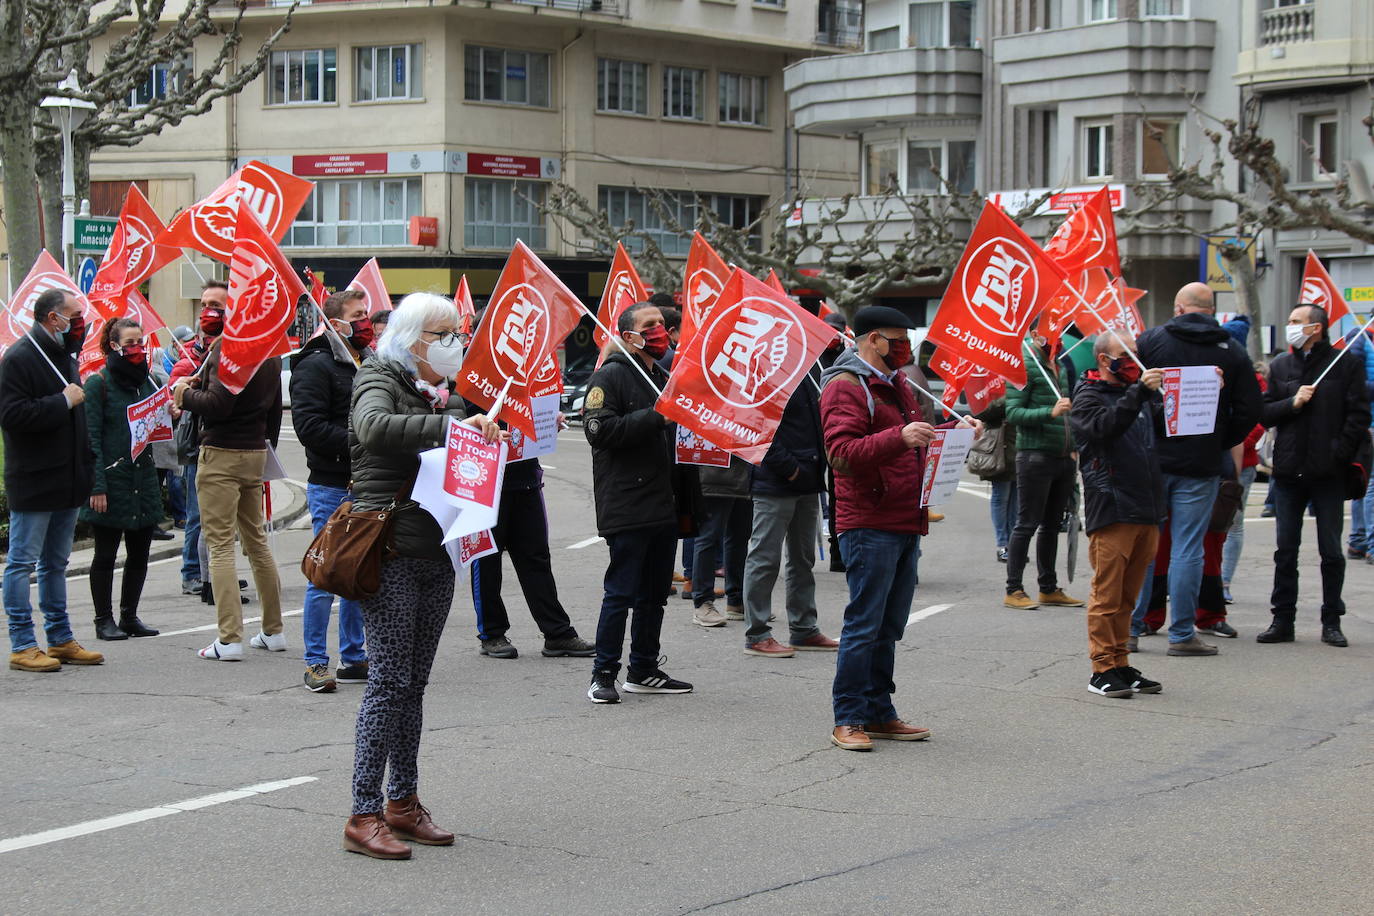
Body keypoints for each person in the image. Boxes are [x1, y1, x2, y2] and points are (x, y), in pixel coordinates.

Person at [343, 292, 503, 860]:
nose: (457, 341)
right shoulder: (379, 376)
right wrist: (449, 425)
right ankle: (363, 812)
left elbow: (449, 437)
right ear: (414, 338)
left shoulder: (433, 391)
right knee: (388, 682)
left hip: (437, 549)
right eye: (446, 332)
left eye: (458, 331)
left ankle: (402, 802)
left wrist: (479, 433)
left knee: (412, 684)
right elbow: (372, 428)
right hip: (389, 550)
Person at [820, 305, 978, 750]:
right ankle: (848, 717)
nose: (906, 349)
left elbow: (916, 437)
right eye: (897, 340)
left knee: (889, 625)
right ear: (872, 339)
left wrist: (956, 431)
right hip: (869, 520)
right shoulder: (846, 385)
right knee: (865, 623)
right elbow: (840, 453)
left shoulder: (896, 384)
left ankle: (879, 711)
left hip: (905, 516)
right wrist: (900, 437)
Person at [1131, 282, 1262, 656]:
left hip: (1154, 459)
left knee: (1145, 547)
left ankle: (1133, 628)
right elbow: (1253, 408)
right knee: (1189, 549)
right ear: (1210, 310)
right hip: (1201, 464)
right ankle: (1182, 634)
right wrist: (1221, 437)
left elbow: (1129, 392)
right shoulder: (1232, 350)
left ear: (1178, 307)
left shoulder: (1152, 341)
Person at [585, 301, 698, 704]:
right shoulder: (610, 376)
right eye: (649, 325)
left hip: (663, 503)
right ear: (629, 334)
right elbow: (599, 430)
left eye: (663, 325)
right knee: (621, 593)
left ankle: (644, 668)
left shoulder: (662, 376)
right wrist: (657, 416)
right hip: (628, 503)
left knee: (654, 594)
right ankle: (603, 673)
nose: (660, 331)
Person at [173, 306, 284, 662]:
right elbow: (274, 410)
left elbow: (218, 404)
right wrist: (264, 444)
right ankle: (273, 630)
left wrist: (182, 394)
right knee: (257, 542)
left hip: (221, 452)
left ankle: (229, 637)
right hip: (253, 450)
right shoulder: (268, 351)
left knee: (220, 545)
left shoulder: (230, 348)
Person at [1, 289, 103, 672]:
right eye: (73, 316)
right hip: (34, 480)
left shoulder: (64, 356)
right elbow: (11, 415)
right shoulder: (20, 358)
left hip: (67, 479)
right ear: (52, 318)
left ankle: (59, 638)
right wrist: (61, 401)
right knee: (21, 563)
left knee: (55, 564)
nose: (80, 323)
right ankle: (23, 644)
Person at [1257, 304, 1370, 648]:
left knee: (1331, 551)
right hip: (1289, 472)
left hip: (1327, 473)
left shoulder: (1345, 364)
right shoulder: (1281, 365)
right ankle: (1282, 619)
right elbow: (1265, 412)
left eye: (1295, 321)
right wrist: (1292, 403)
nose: (1290, 326)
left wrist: (1338, 452)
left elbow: (1358, 414)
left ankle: (1332, 619)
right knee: (1285, 550)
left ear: (1316, 328)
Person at [1071, 335, 1166, 698]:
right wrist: (1139, 393)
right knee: (1107, 594)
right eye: (1124, 356)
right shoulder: (1089, 395)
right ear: (1102, 359)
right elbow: (1102, 429)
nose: (1133, 362)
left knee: (1129, 595)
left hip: (1146, 506)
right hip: (1113, 506)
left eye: (1136, 356)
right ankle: (1102, 668)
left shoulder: (1138, 394)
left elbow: (1169, 429)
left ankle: (1121, 662)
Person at [291, 289, 374, 692]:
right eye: (357, 315)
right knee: (325, 575)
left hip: (367, 483)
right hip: (331, 484)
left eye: (366, 314)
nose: (365, 322)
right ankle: (315, 662)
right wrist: (363, 440)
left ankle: (354, 658)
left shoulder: (367, 362)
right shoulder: (316, 365)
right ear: (335, 322)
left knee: (358, 570)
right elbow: (309, 428)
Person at [741, 362, 839, 657]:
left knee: (802, 559)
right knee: (764, 559)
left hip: (808, 483)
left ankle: (804, 629)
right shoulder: (767, 374)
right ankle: (757, 634)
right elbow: (757, 428)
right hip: (776, 483)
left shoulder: (808, 373)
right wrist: (791, 469)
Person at [82, 317, 164, 641]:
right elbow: (91, 439)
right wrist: (97, 486)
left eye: (140, 342)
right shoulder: (98, 384)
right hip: (112, 481)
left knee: (140, 552)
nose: (138, 348)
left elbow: (152, 430)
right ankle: (104, 619)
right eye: (131, 343)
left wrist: (167, 414)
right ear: (114, 345)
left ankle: (130, 615)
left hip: (142, 480)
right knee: (105, 554)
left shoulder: (146, 382)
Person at [1002, 334, 1082, 610]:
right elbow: (1013, 413)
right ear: (1036, 334)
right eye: (1052, 330)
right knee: (1026, 524)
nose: (1058, 336)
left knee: (1051, 525)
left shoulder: (1058, 362)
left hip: (1063, 456)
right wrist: (1050, 412)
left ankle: (1048, 588)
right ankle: (1014, 589)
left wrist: (1073, 447)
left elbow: (1069, 415)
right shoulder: (1023, 364)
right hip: (1035, 456)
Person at [171, 284, 228, 597]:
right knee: (197, 515)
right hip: (196, 446)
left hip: (219, 445)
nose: (208, 311)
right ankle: (192, 572)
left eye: (216, 305)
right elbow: (175, 398)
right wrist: (184, 388)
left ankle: (210, 572)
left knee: (217, 520)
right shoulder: (190, 357)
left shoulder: (228, 350)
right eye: (204, 304)